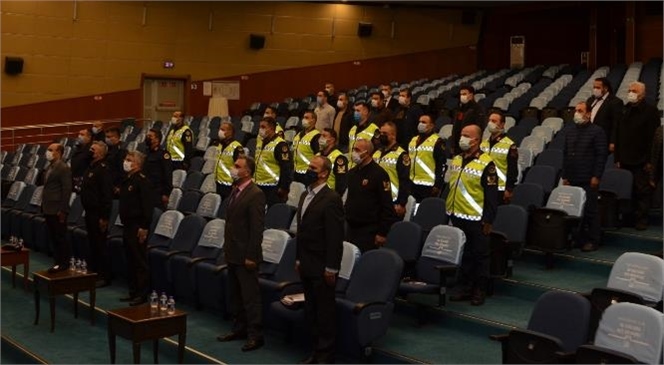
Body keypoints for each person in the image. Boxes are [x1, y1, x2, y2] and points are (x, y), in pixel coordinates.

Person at [295, 155, 344, 364]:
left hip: (322, 265)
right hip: (306, 262)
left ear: (324, 173)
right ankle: (314, 350)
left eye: (313, 168)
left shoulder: (331, 198)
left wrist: (331, 268)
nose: (308, 170)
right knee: (311, 309)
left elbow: (335, 237)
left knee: (324, 312)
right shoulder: (304, 195)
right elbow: (302, 231)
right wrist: (298, 258)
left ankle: (325, 355)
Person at [217, 156, 266, 352]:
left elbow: (257, 229)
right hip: (232, 253)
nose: (233, 169)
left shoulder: (255, 194)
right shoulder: (235, 191)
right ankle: (239, 329)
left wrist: (252, 256)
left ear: (247, 171)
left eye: (237, 166)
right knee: (236, 295)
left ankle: (256, 335)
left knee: (250, 297)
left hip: (246, 255)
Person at [447, 125, 498, 306]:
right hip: (457, 215)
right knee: (465, 255)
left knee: (480, 256)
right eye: (462, 134)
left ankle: (480, 290)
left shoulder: (487, 163)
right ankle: (464, 287)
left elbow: (492, 196)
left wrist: (488, 220)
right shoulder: (457, 159)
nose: (462, 138)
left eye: (466, 136)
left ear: (476, 140)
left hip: (477, 219)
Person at [613, 81, 660, 230]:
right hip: (625, 158)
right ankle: (628, 218)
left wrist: (649, 161)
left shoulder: (651, 111)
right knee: (627, 191)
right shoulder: (624, 110)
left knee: (642, 191)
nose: (631, 93)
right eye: (629, 90)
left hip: (641, 159)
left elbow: (653, 139)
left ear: (642, 94)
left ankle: (642, 219)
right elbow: (618, 135)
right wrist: (617, 158)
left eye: (634, 90)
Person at [562, 102, 607, 252]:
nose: (576, 113)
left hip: (588, 178)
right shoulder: (570, 131)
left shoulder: (597, 131)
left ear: (588, 113)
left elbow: (601, 156)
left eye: (580, 111)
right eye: (576, 110)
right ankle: (578, 239)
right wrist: (565, 175)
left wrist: (596, 176)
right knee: (575, 210)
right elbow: (566, 155)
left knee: (590, 210)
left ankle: (593, 240)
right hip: (572, 177)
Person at [345, 138, 397, 253]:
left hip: (368, 230)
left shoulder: (379, 174)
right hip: (350, 227)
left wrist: (382, 233)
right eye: (353, 149)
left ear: (367, 153)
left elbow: (387, 205)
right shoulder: (352, 173)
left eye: (357, 150)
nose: (354, 153)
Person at [118, 151, 154, 306]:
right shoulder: (128, 179)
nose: (125, 162)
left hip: (137, 226)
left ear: (137, 164)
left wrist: (144, 227)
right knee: (130, 259)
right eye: (126, 159)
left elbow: (147, 207)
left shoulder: (142, 181)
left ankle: (142, 294)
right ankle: (133, 292)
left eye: (129, 160)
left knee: (139, 261)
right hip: (127, 225)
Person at [80, 141, 113, 287]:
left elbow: (106, 196)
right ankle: (94, 272)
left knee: (100, 245)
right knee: (92, 244)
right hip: (89, 212)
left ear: (100, 153)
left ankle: (104, 276)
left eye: (93, 149)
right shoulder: (90, 167)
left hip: (98, 214)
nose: (90, 151)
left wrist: (104, 217)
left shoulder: (103, 169)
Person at [41, 143, 73, 273]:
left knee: (60, 237)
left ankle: (64, 263)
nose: (47, 152)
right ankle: (57, 262)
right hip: (48, 207)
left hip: (57, 209)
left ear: (58, 152)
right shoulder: (50, 166)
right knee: (54, 237)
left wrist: (63, 210)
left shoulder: (63, 168)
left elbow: (67, 190)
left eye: (50, 150)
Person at [374, 121, 411, 218]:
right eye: (381, 133)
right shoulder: (377, 152)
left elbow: (405, 180)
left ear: (393, 135)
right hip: (375, 199)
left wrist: (401, 203)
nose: (381, 135)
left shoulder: (401, 155)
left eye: (385, 134)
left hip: (391, 201)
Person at [480, 112, 518, 204]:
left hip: (499, 188)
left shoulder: (510, 145)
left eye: (494, 121)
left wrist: (509, 189)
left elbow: (512, 170)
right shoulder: (483, 143)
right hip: (483, 187)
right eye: (489, 120)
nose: (490, 123)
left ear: (502, 124)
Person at [254, 117, 292, 207]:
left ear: (271, 129)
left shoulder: (280, 145)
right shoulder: (260, 142)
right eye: (260, 127)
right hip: (259, 184)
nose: (260, 129)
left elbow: (286, 168)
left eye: (263, 127)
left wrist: (283, 187)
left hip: (273, 187)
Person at [408, 114, 446, 202]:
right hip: (412, 182)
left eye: (424, 122)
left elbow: (441, 165)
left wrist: (437, 185)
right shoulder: (413, 140)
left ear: (432, 125)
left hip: (428, 185)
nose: (420, 124)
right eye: (420, 122)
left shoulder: (437, 142)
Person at [587, 77, 623, 148]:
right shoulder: (591, 100)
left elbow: (616, 123)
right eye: (594, 87)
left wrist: (613, 141)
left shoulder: (615, 102)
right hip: (588, 137)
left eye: (598, 87)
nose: (595, 89)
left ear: (606, 88)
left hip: (603, 139)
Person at [451, 84, 486, 155]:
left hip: (471, 144)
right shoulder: (459, 109)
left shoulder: (478, 109)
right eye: (461, 94)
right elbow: (455, 128)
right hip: (458, 144)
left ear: (471, 95)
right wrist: (453, 145)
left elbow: (479, 128)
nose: (462, 96)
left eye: (464, 94)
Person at [144, 128, 173, 209]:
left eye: (150, 136)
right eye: (147, 135)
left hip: (158, 192)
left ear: (157, 139)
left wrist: (166, 194)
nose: (147, 137)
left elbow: (168, 174)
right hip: (146, 190)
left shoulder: (163, 154)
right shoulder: (146, 152)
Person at [215, 121, 245, 200]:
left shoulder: (237, 147)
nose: (220, 131)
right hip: (219, 182)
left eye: (223, 130)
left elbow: (240, 167)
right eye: (220, 129)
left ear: (230, 132)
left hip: (230, 185)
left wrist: (236, 183)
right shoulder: (220, 145)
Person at [347, 102, 380, 169]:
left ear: (365, 112)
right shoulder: (353, 129)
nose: (355, 113)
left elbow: (377, 151)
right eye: (354, 110)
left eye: (358, 111)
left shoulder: (374, 129)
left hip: (365, 167)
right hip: (351, 167)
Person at [292, 111, 321, 183]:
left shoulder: (316, 135)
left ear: (313, 120)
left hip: (307, 172)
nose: (303, 120)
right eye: (303, 117)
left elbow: (318, 155)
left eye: (307, 118)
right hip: (296, 170)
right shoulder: (299, 134)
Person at [318, 128, 348, 195]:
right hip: (317, 194)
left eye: (324, 136)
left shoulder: (339, 158)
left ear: (332, 140)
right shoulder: (318, 155)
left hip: (329, 196)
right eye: (320, 136)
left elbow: (341, 184)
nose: (320, 138)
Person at [104, 127, 127, 196]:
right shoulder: (108, 149)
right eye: (106, 137)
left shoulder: (121, 151)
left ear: (116, 137)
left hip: (115, 186)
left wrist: (119, 186)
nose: (106, 139)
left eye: (109, 137)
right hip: (108, 184)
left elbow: (123, 171)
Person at [70, 128, 93, 193]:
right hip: (75, 179)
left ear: (89, 137)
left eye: (82, 134)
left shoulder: (91, 149)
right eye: (79, 134)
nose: (79, 136)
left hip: (84, 180)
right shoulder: (77, 148)